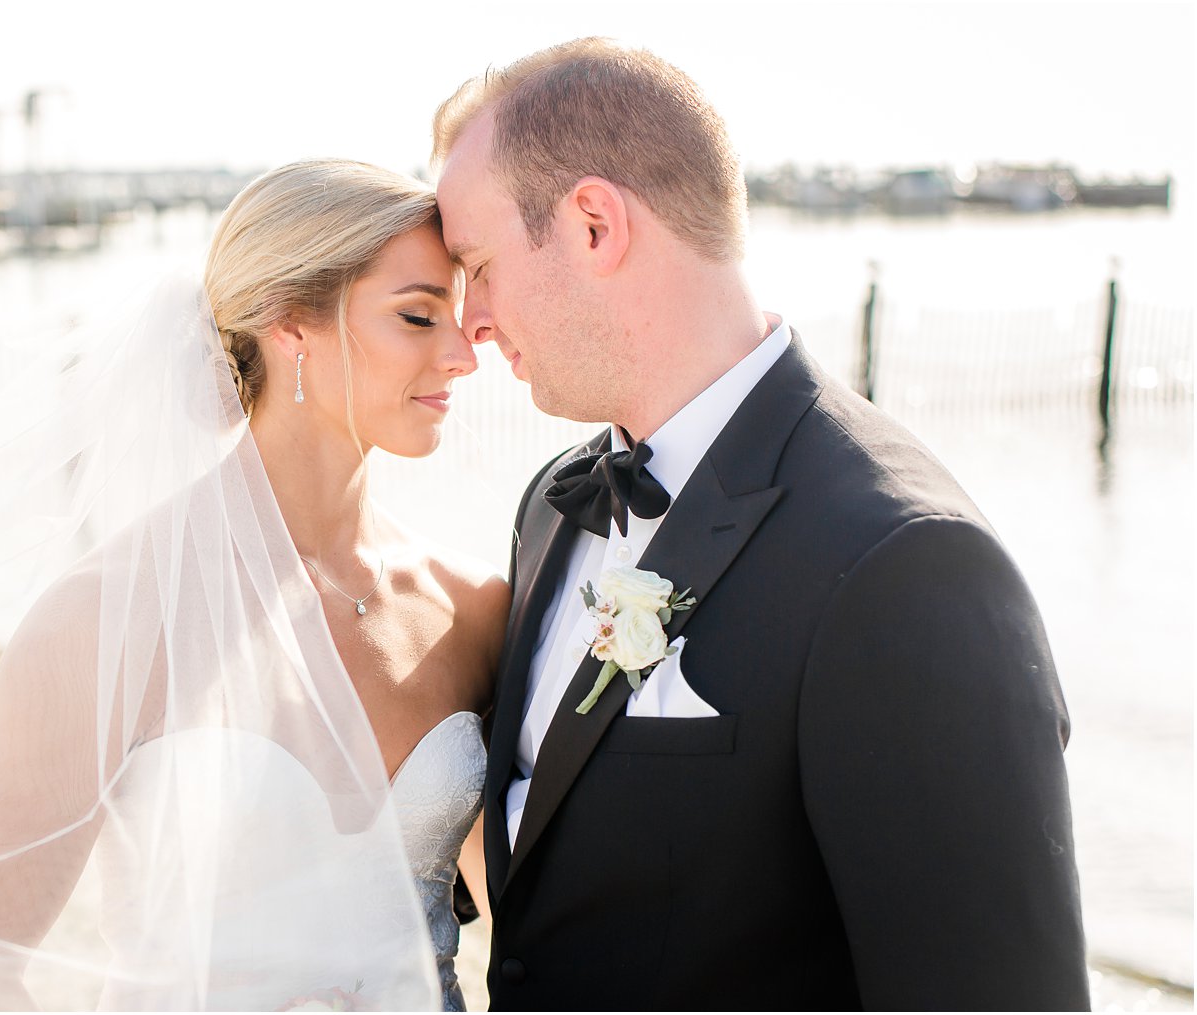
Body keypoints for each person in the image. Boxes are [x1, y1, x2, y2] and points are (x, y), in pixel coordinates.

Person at [0, 160, 502, 1011]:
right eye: (417, 316)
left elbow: (529, 904)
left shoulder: (471, 607)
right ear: (289, 324)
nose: (462, 353)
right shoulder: (103, 618)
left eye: (459, 317)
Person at [431, 38, 1089, 1010]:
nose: (468, 320)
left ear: (592, 224)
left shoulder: (902, 564)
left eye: (477, 265)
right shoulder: (551, 506)